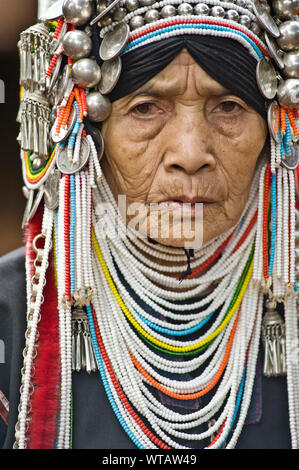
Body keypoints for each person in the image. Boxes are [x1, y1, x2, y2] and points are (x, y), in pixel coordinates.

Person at [0, 0, 299, 450]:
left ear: (274, 135)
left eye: (230, 107)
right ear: (88, 136)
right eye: (145, 108)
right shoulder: (11, 314)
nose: (191, 153)